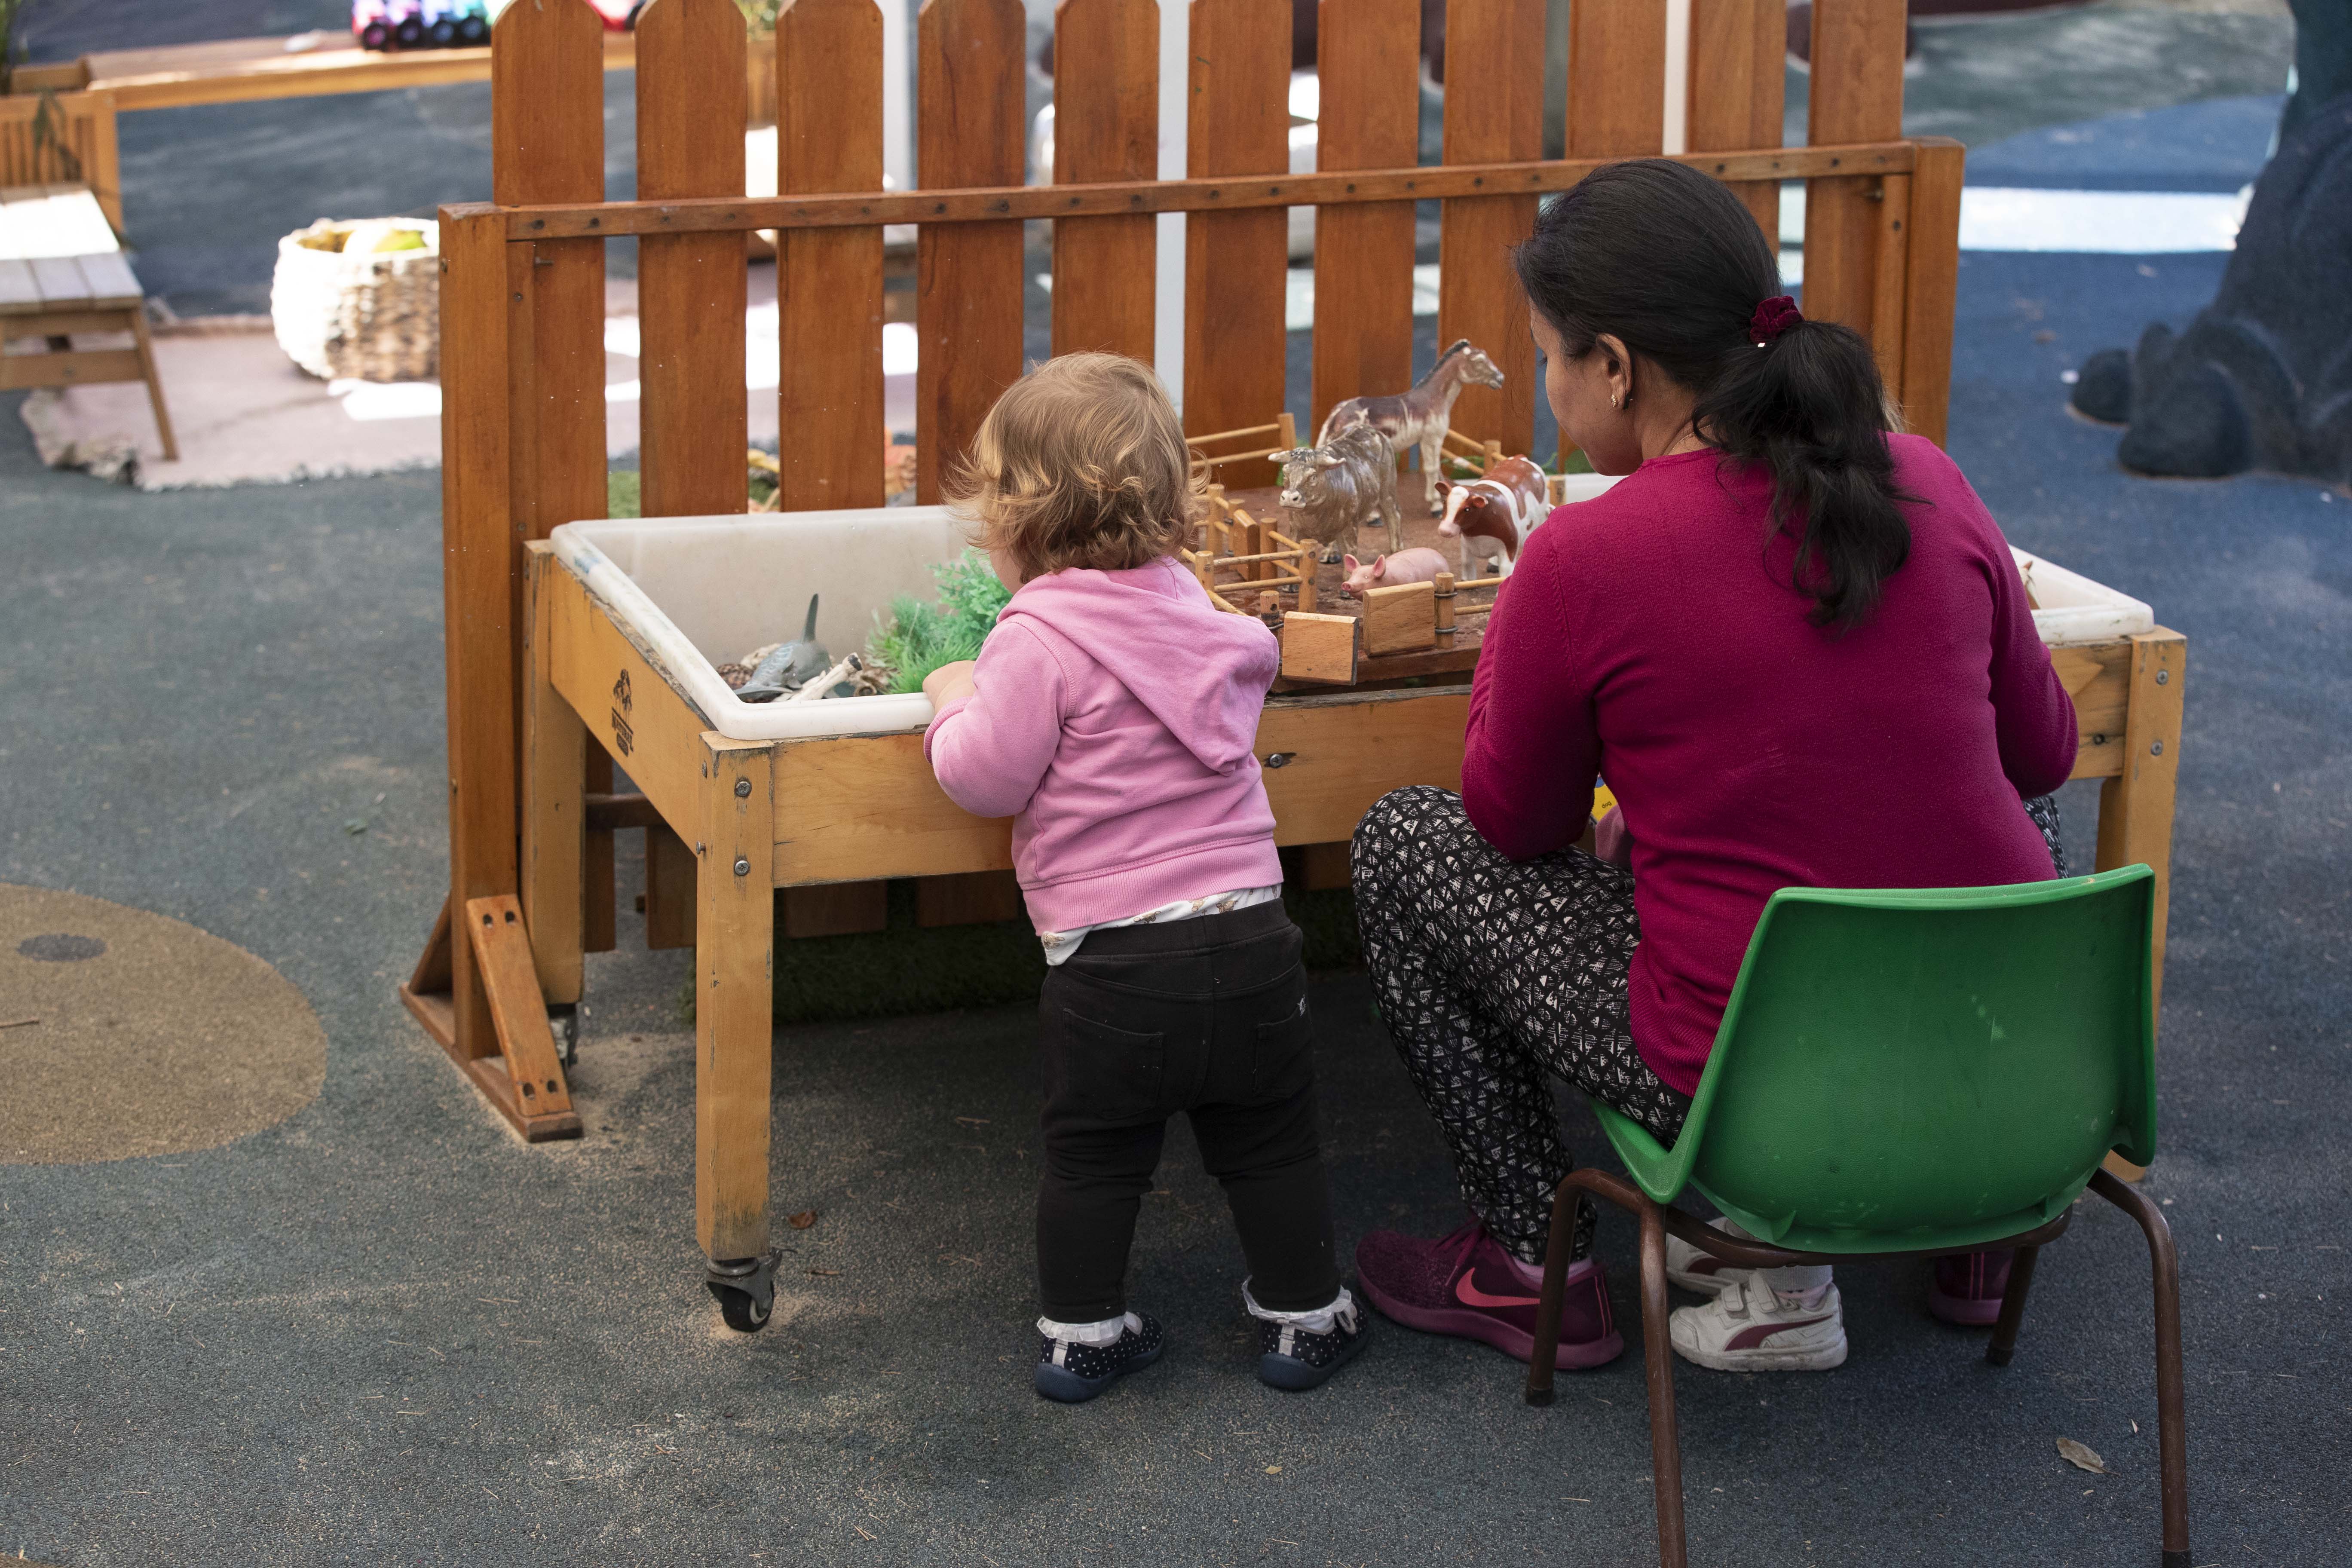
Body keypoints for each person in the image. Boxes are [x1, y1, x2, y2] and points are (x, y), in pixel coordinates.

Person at [1348, 159, 2076, 1374]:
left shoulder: (1584, 556)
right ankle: (1978, 1242)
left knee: (1403, 843)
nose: (1547, 386)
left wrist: (1511, 619)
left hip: (1750, 1094)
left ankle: (1535, 1261)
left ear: (1617, 367)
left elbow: (1510, 820)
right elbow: (2044, 752)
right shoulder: (1931, 477)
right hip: (2007, 1063)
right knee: (2003, 788)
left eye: (1548, 357)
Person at [921, 352, 1369, 1403]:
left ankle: (1086, 1336)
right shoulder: (1201, 616)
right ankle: (1306, 1318)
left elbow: (988, 776)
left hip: (1116, 964)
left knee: (1094, 1157)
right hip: (1251, 939)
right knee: (1270, 1144)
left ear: (1019, 522)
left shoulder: (1035, 637)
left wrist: (949, 695)